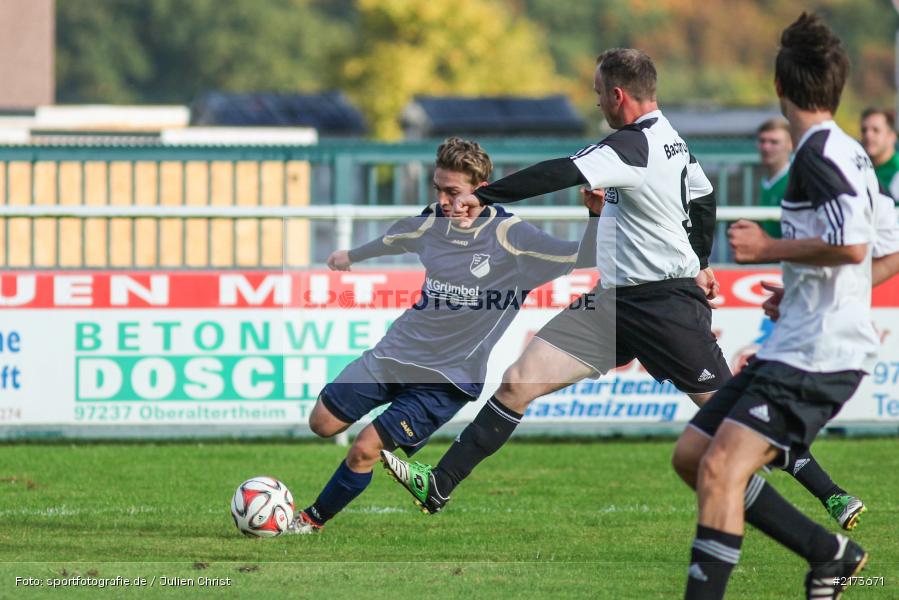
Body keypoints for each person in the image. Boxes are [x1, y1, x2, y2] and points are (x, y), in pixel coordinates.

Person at [382, 46, 862, 530]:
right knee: (516, 381)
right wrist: (699, 258)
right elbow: (704, 197)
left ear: (617, 95)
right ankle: (440, 482)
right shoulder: (669, 138)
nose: (595, 105)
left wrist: (482, 195)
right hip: (612, 302)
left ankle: (832, 494)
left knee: (730, 414)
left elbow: (560, 171)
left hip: (662, 305)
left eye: (597, 94)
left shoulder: (630, 146)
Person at [286, 137, 600, 533]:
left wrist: (596, 217)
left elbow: (585, 257)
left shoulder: (511, 237)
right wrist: (351, 256)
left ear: (481, 189)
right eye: (439, 189)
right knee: (322, 423)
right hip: (393, 354)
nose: (445, 201)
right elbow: (395, 239)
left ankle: (310, 522)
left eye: (454, 192)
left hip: (447, 378)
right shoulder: (432, 220)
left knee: (365, 448)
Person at [672, 13, 881, 599]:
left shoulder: (818, 154)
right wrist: (804, 289)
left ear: (779, 88)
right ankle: (828, 552)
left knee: (721, 469)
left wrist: (768, 247)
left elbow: (856, 246)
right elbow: (875, 254)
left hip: (818, 354)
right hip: (797, 342)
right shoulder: (846, 151)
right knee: (694, 456)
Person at [757, 117, 792, 237]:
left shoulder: (795, 181)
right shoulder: (765, 182)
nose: (766, 147)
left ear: (791, 144)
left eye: (774, 142)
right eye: (762, 141)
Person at [860, 107, 899, 202]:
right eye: (864, 130)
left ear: (892, 136)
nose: (868, 135)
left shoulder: (896, 171)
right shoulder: (860, 167)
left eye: (876, 130)